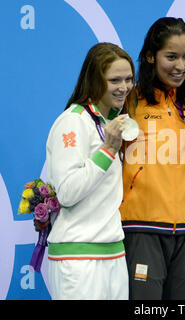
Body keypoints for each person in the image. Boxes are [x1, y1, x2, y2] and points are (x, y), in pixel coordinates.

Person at [119, 17, 185, 300]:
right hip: (140, 230)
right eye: (171, 57)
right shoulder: (129, 102)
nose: (180, 66)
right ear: (149, 56)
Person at [45, 42, 136, 299]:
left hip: (113, 252)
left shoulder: (109, 121)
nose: (124, 87)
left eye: (129, 79)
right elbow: (67, 192)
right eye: (114, 80)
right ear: (95, 80)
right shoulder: (72, 122)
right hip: (78, 258)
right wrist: (107, 150)